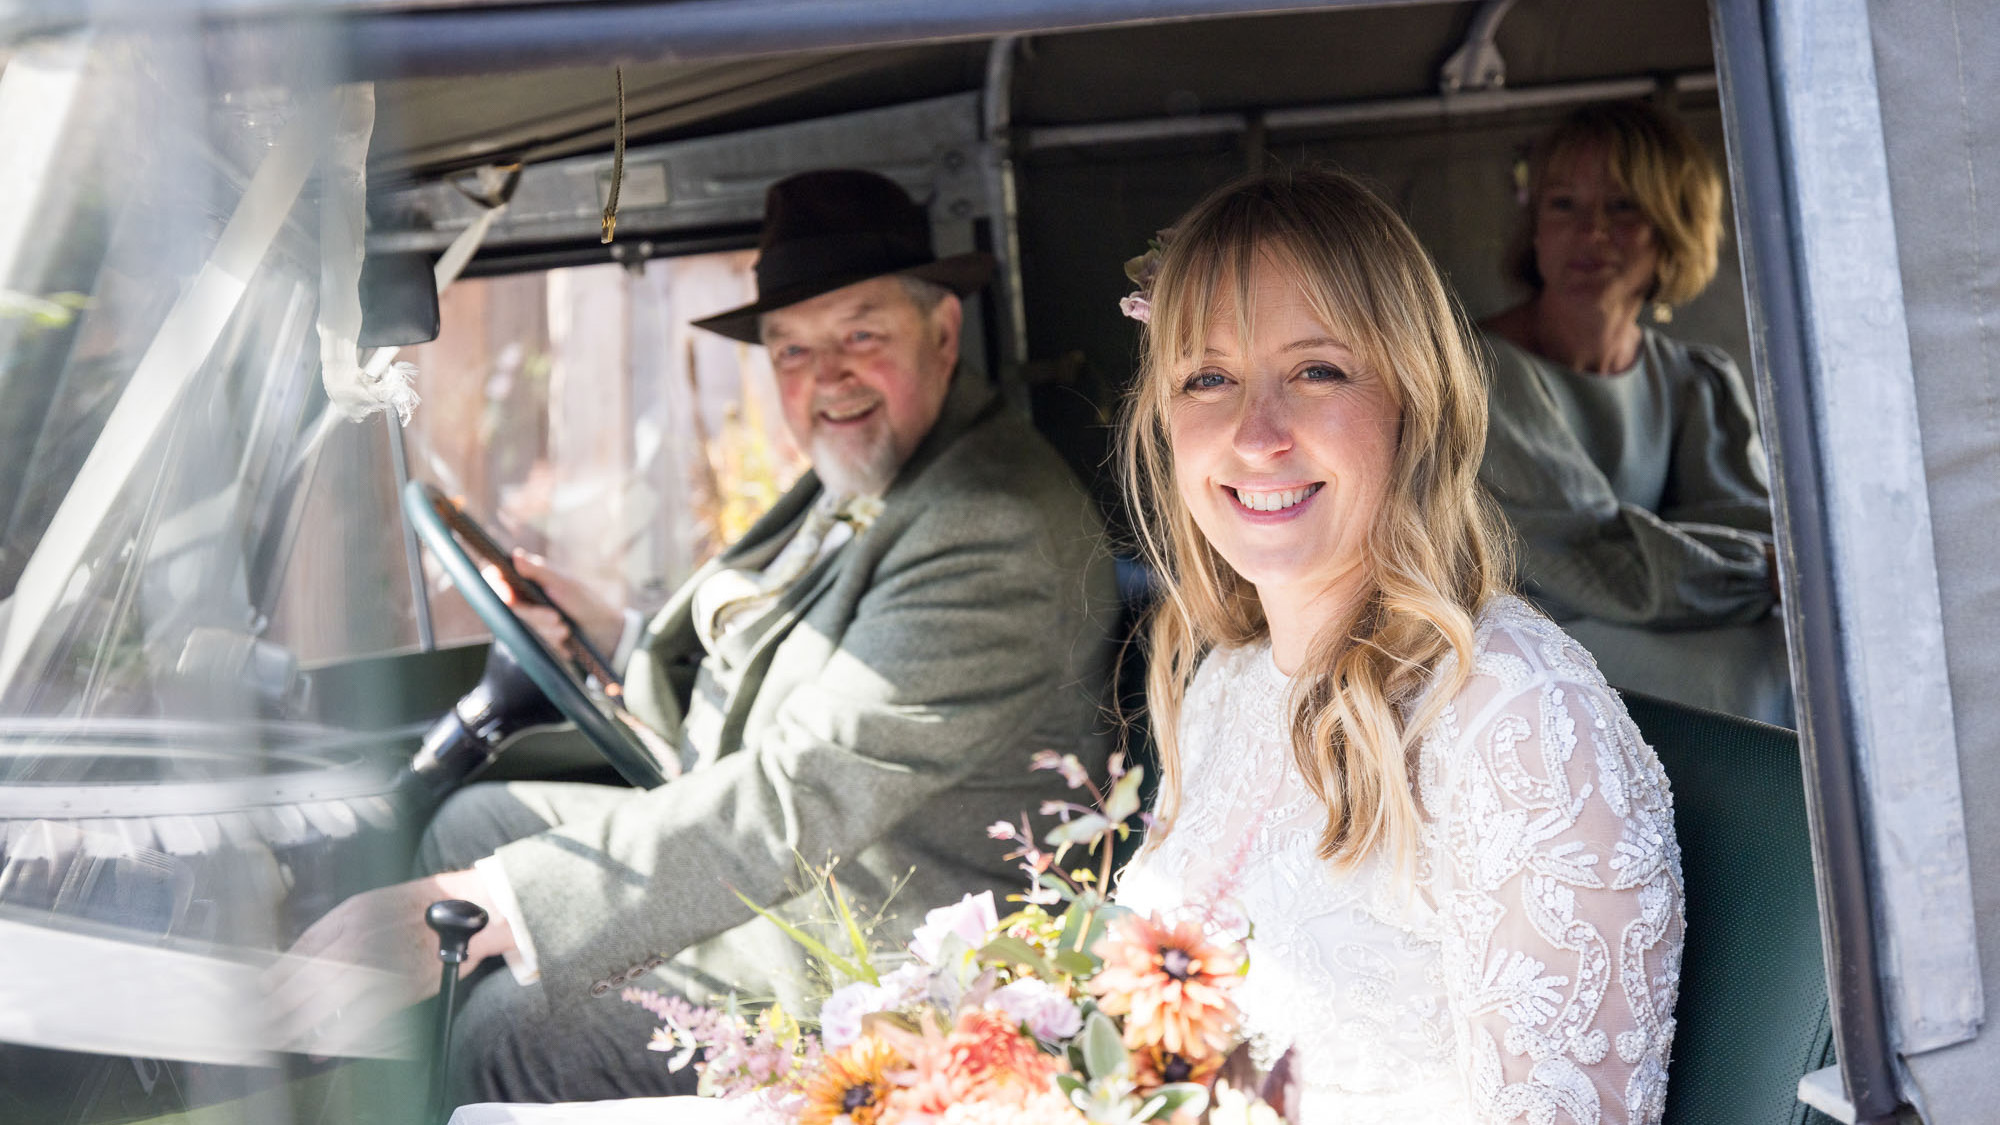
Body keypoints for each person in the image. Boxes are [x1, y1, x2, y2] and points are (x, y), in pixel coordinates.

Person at [270, 170, 1120, 1105]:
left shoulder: (987, 524)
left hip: (876, 925)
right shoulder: (884, 460)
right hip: (801, 843)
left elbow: (796, 798)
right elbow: (771, 632)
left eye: (861, 335)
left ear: (945, 331)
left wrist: (508, 908)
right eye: (791, 349)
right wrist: (610, 625)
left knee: (513, 1032)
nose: (825, 375)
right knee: (473, 821)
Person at [1110, 168, 1685, 1123]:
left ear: (1413, 400)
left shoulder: (1518, 721)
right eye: (1207, 377)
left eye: (1316, 371)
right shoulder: (1226, 682)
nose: (1256, 433)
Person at [1477, 101, 1788, 724]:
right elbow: (1592, 558)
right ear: (1535, 227)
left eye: (1622, 207)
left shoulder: (1695, 380)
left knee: (1789, 654)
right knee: (1742, 672)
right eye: (1562, 204)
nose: (1590, 232)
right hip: (1526, 646)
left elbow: (1747, 519)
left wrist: (1769, 566)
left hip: (1650, 620)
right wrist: (1762, 571)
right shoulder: (1481, 371)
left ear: (1671, 228)